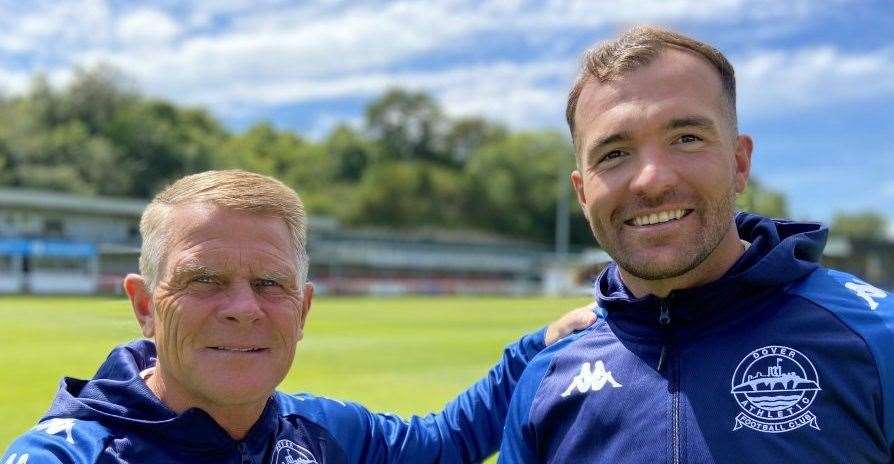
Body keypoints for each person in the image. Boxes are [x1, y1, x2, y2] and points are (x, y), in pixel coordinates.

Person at [1, 170, 595, 464]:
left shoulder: (318, 432)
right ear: (144, 306)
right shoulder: (72, 454)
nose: (242, 309)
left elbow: (446, 440)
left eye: (270, 284)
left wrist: (537, 346)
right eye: (204, 280)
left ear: (303, 308)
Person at [499, 25, 893, 463]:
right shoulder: (546, 379)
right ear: (583, 193)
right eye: (613, 154)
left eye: (687, 139)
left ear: (739, 163)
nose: (651, 180)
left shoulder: (877, 340)